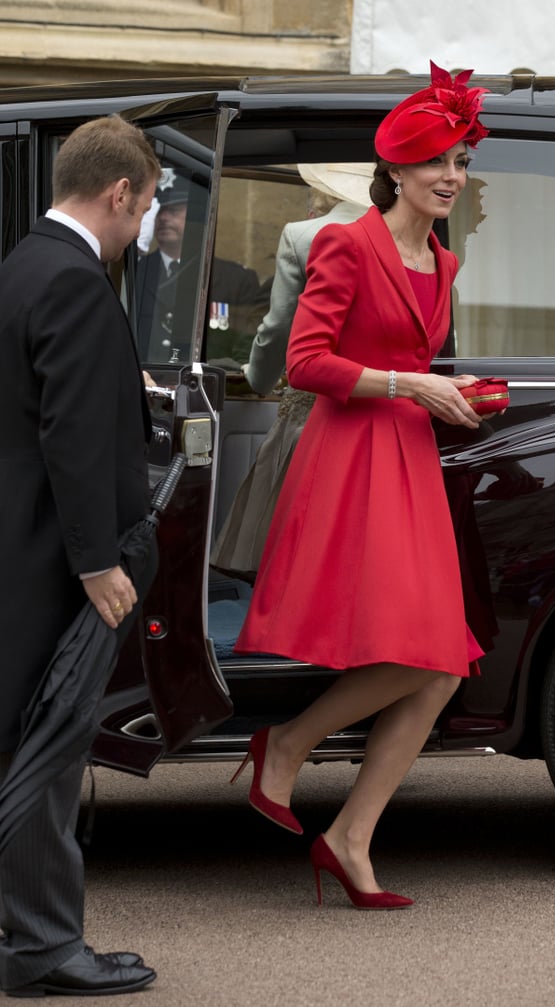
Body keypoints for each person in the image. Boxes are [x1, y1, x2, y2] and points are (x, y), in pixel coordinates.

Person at [231, 61, 492, 909]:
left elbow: (417, 363)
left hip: (409, 454)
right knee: (424, 650)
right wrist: (409, 384)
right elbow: (305, 364)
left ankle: (347, 835)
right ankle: (291, 744)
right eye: (437, 163)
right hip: (351, 456)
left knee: (444, 664)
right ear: (398, 172)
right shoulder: (345, 243)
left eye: (460, 161)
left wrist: (448, 398)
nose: (452, 177)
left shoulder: (445, 265)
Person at [0, 115, 159, 996]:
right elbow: (68, 434)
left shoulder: (25, 263)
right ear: (120, 192)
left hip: (20, 541)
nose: (139, 231)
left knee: (30, 742)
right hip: (56, 558)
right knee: (48, 752)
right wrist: (99, 561)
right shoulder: (73, 277)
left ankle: (33, 936)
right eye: (141, 210)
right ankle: (45, 948)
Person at [211, 162, 373, 580]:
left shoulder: (303, 236)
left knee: (294, 539)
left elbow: (279, 326)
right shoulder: (404, 236)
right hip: (379, 405)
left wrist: (258, 379)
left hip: (313, 405)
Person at [135, 172, 261, 361]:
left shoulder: (235, 280)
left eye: (175, 210)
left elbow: (245, 351)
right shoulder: (136, 273)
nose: (164, 218)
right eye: (161, 210)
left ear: (198, 219)